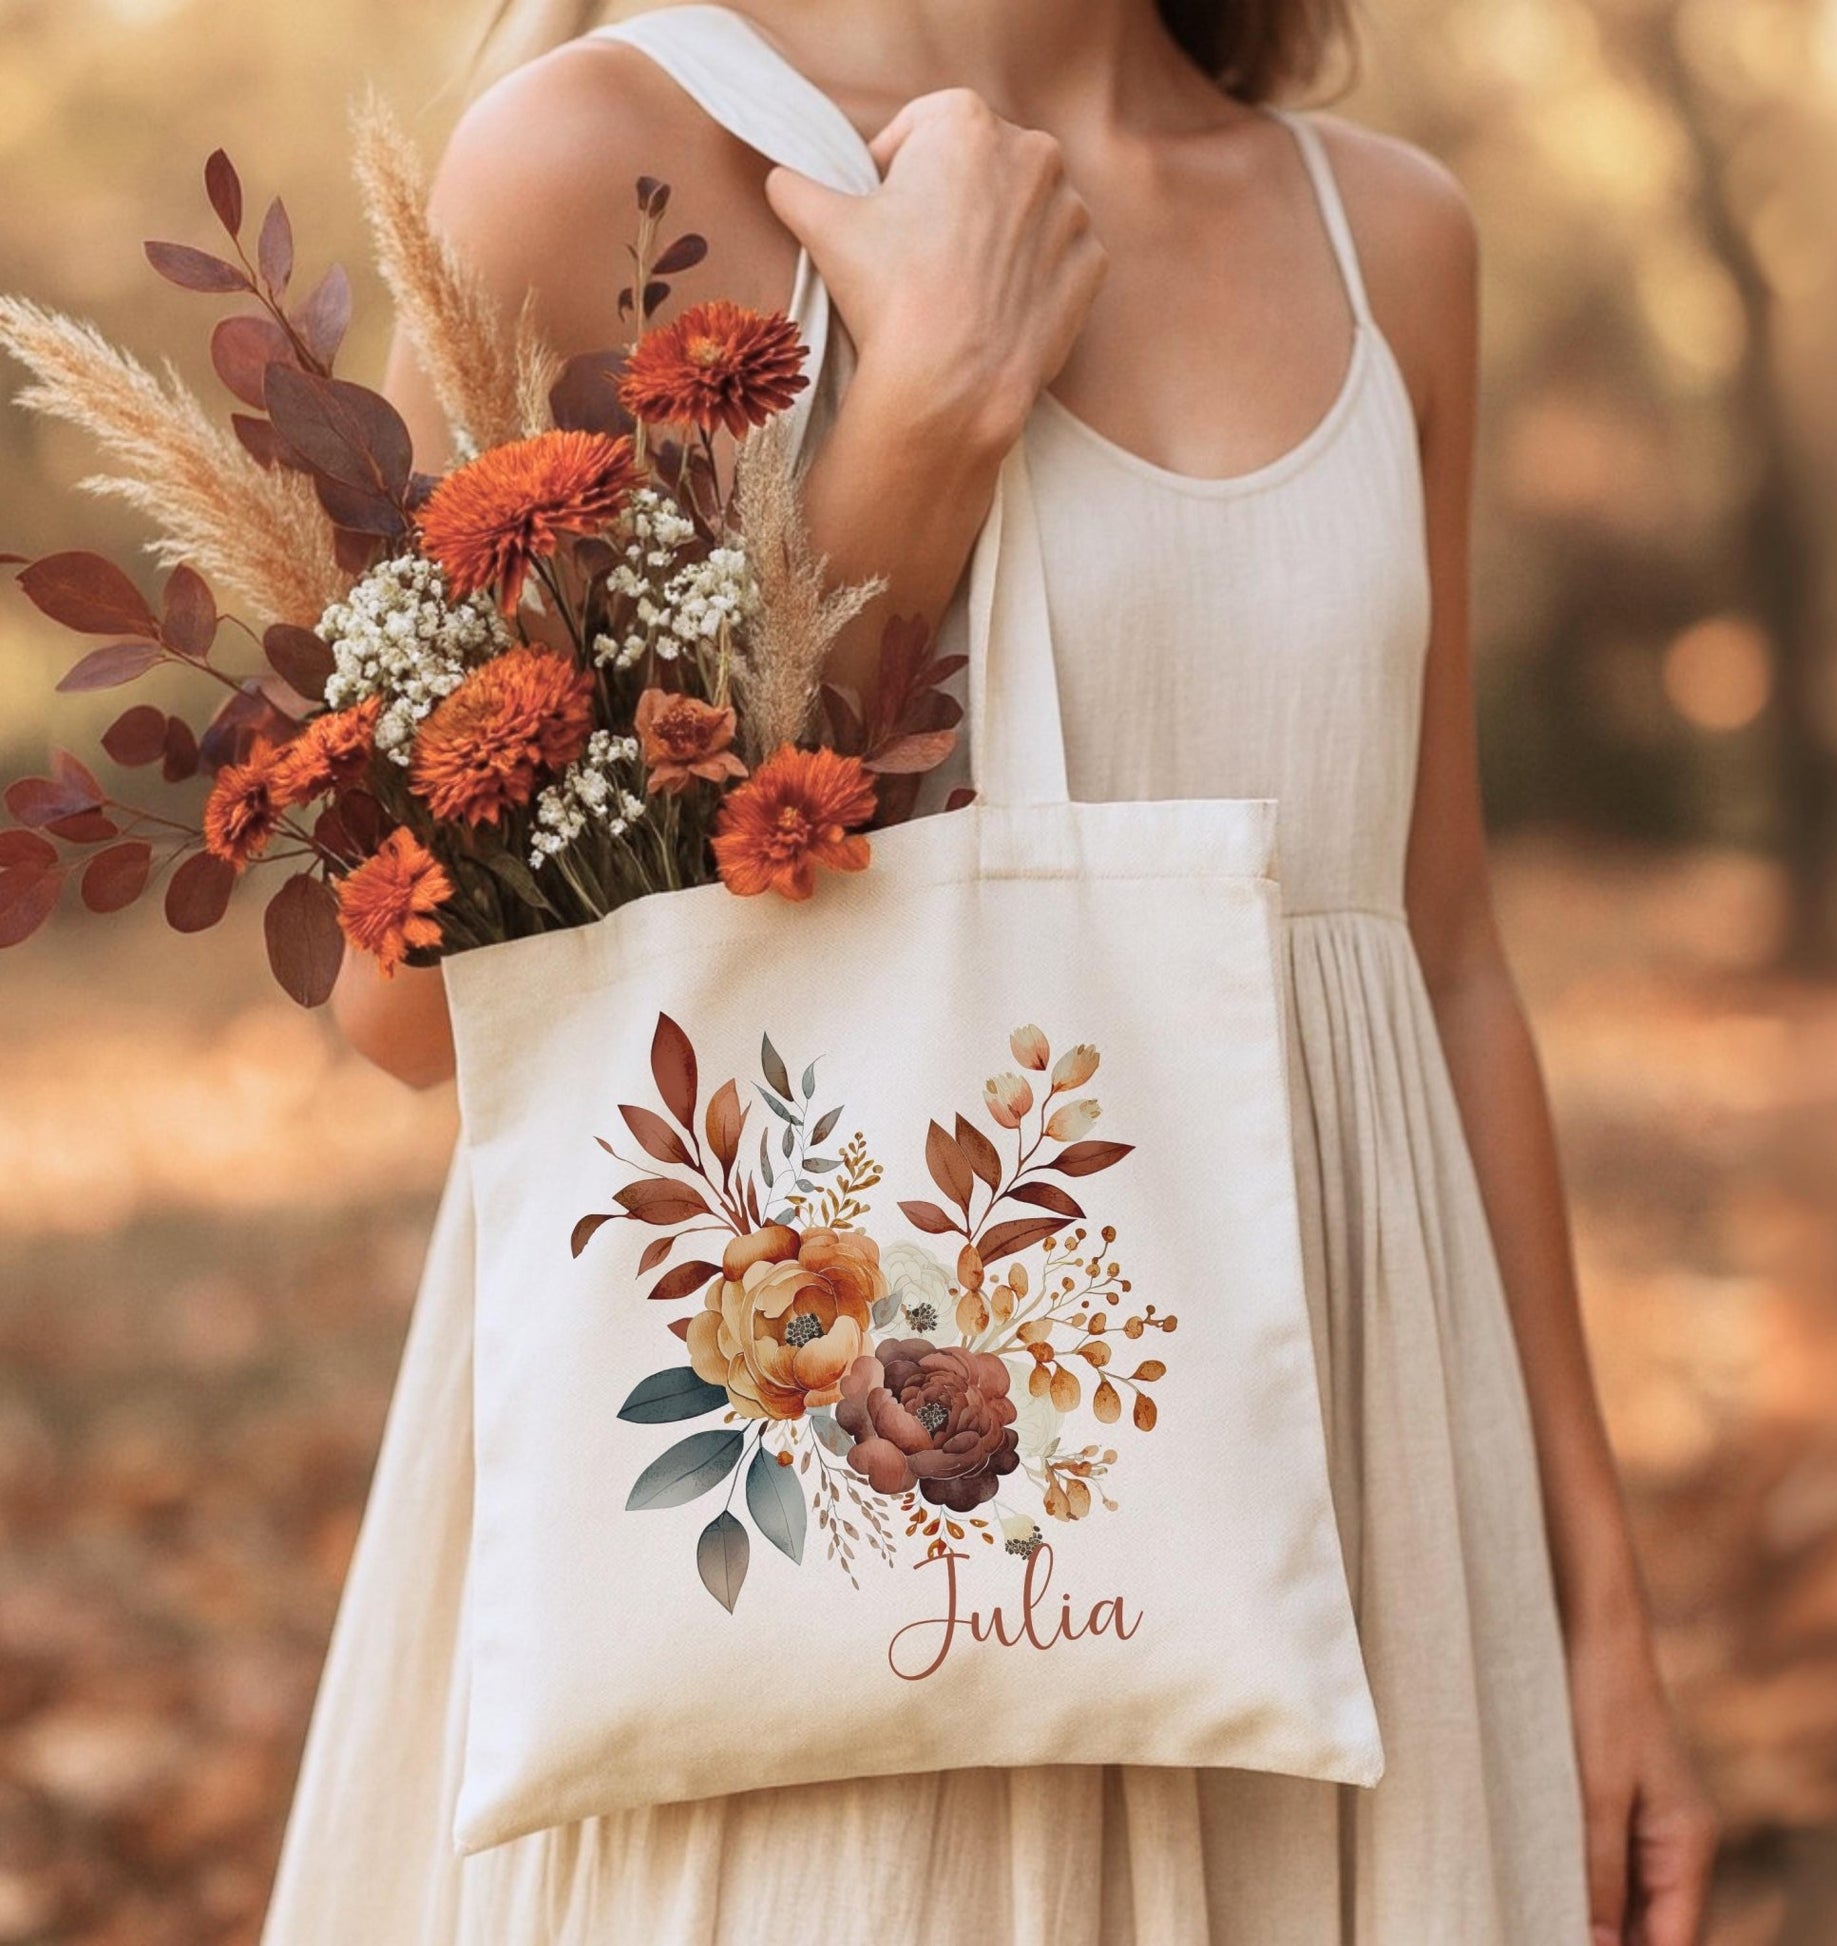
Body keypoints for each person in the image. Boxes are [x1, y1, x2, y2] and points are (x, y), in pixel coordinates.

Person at [272, 1, 1718, 1939]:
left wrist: (1594, 1607)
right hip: (833, 1608)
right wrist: (925, 425)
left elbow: (1440, 954)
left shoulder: (1392, 238)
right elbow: (399, 1010)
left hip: (1357, 1555)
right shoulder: (601, 159)